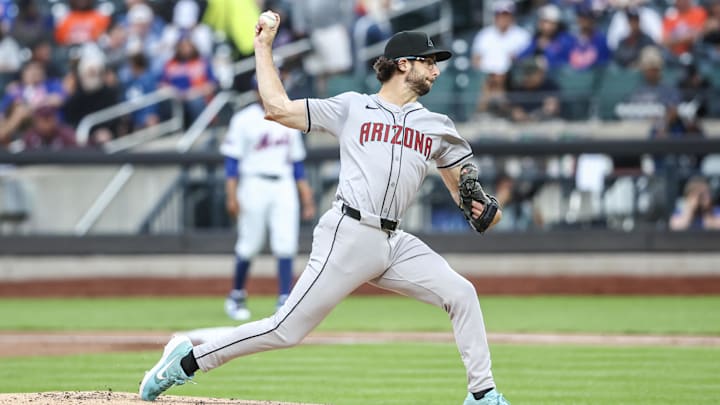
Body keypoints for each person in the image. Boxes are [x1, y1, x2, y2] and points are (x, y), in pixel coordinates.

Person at [139, 13, 508, 405]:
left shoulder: (437, 126)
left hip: (394, 241)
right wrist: (264, 47)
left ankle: (482, 394)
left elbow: (475, 208)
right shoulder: (352, 107)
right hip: (349, 233)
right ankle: (185, 362)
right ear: (404, 64)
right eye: (429, 61)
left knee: (462, 293)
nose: (436, 69)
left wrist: (483, 208)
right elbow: (278, 107)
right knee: (285, 330)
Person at [220, 90, 316, 321]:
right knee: (249, 243)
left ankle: (284, 297)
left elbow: (296, 164)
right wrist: (231, 195)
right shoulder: (244, 118)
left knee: (286, 243)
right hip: (253, 182)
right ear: (256, 90)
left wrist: (306, 196)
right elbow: (232, 163)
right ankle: (237, 295)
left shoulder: (288, 117)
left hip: (283, 184)